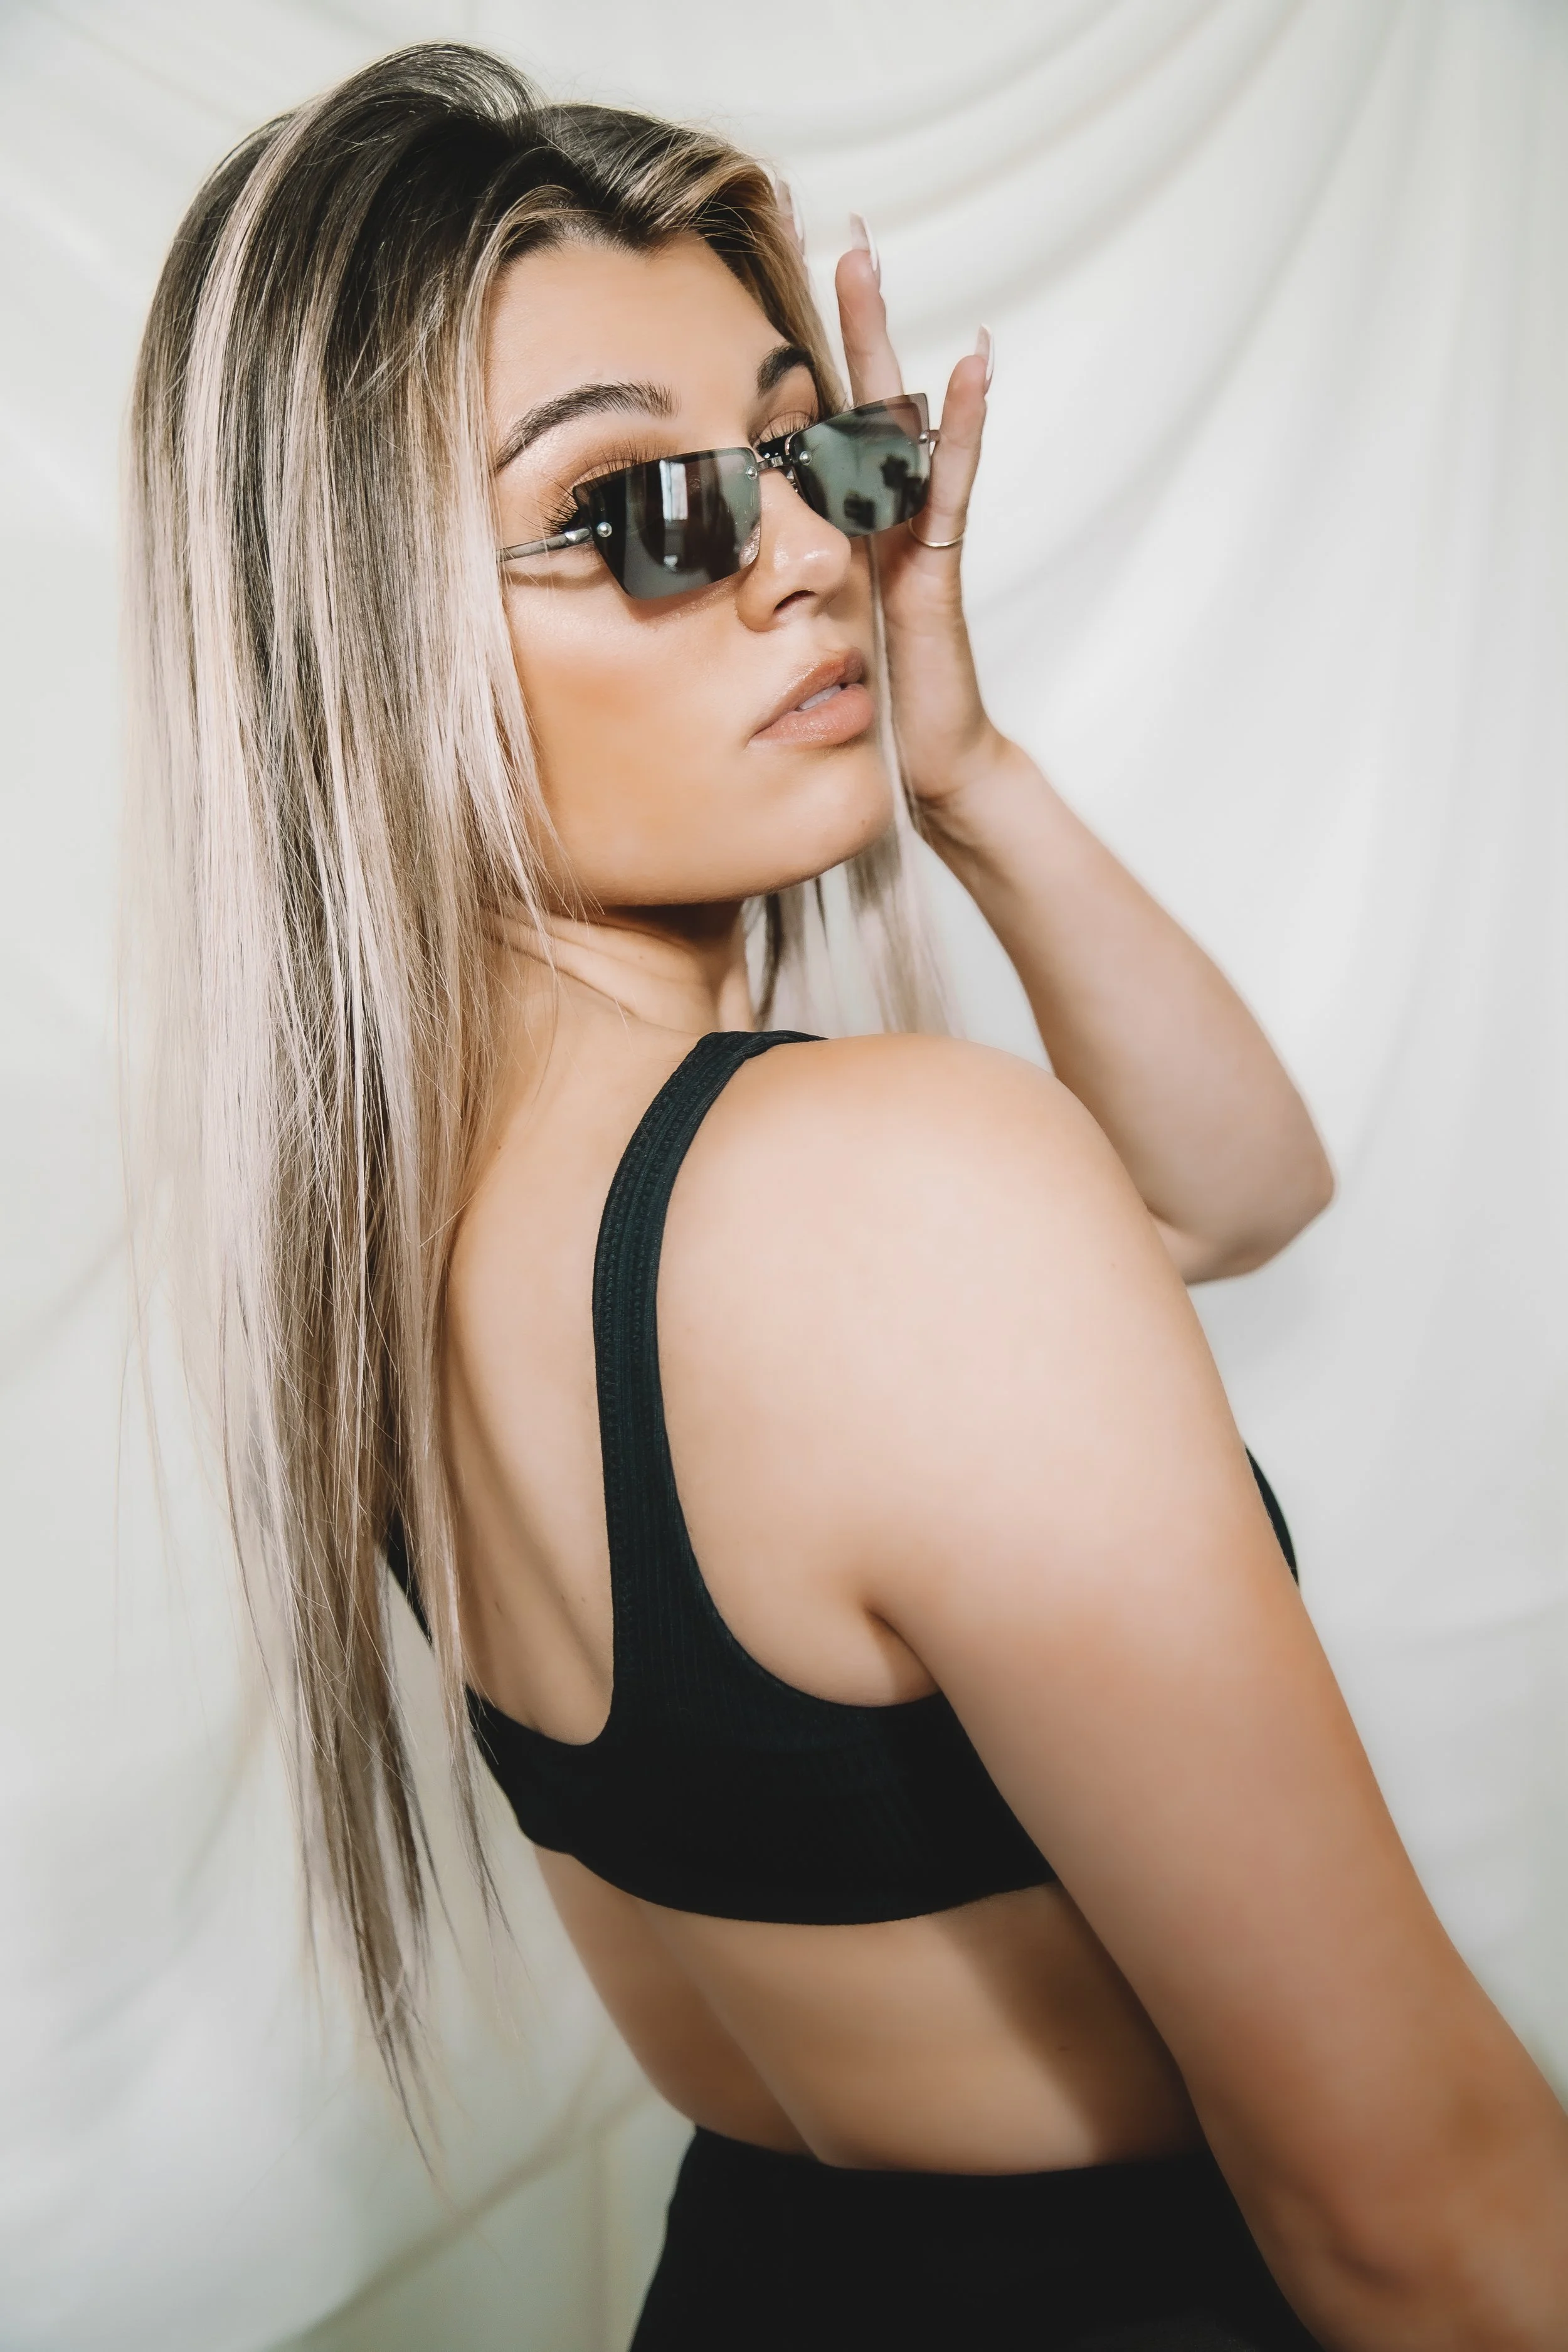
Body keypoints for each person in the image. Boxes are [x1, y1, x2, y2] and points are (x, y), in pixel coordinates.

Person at [125, 41, 1568, 2352]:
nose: (809, 555)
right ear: (361, 643)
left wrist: (957, 765)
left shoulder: (387, 1259)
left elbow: (1235, 1190)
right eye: (638, 508)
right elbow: (1420, 2217)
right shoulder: (881, 1194)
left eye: (812, 454)